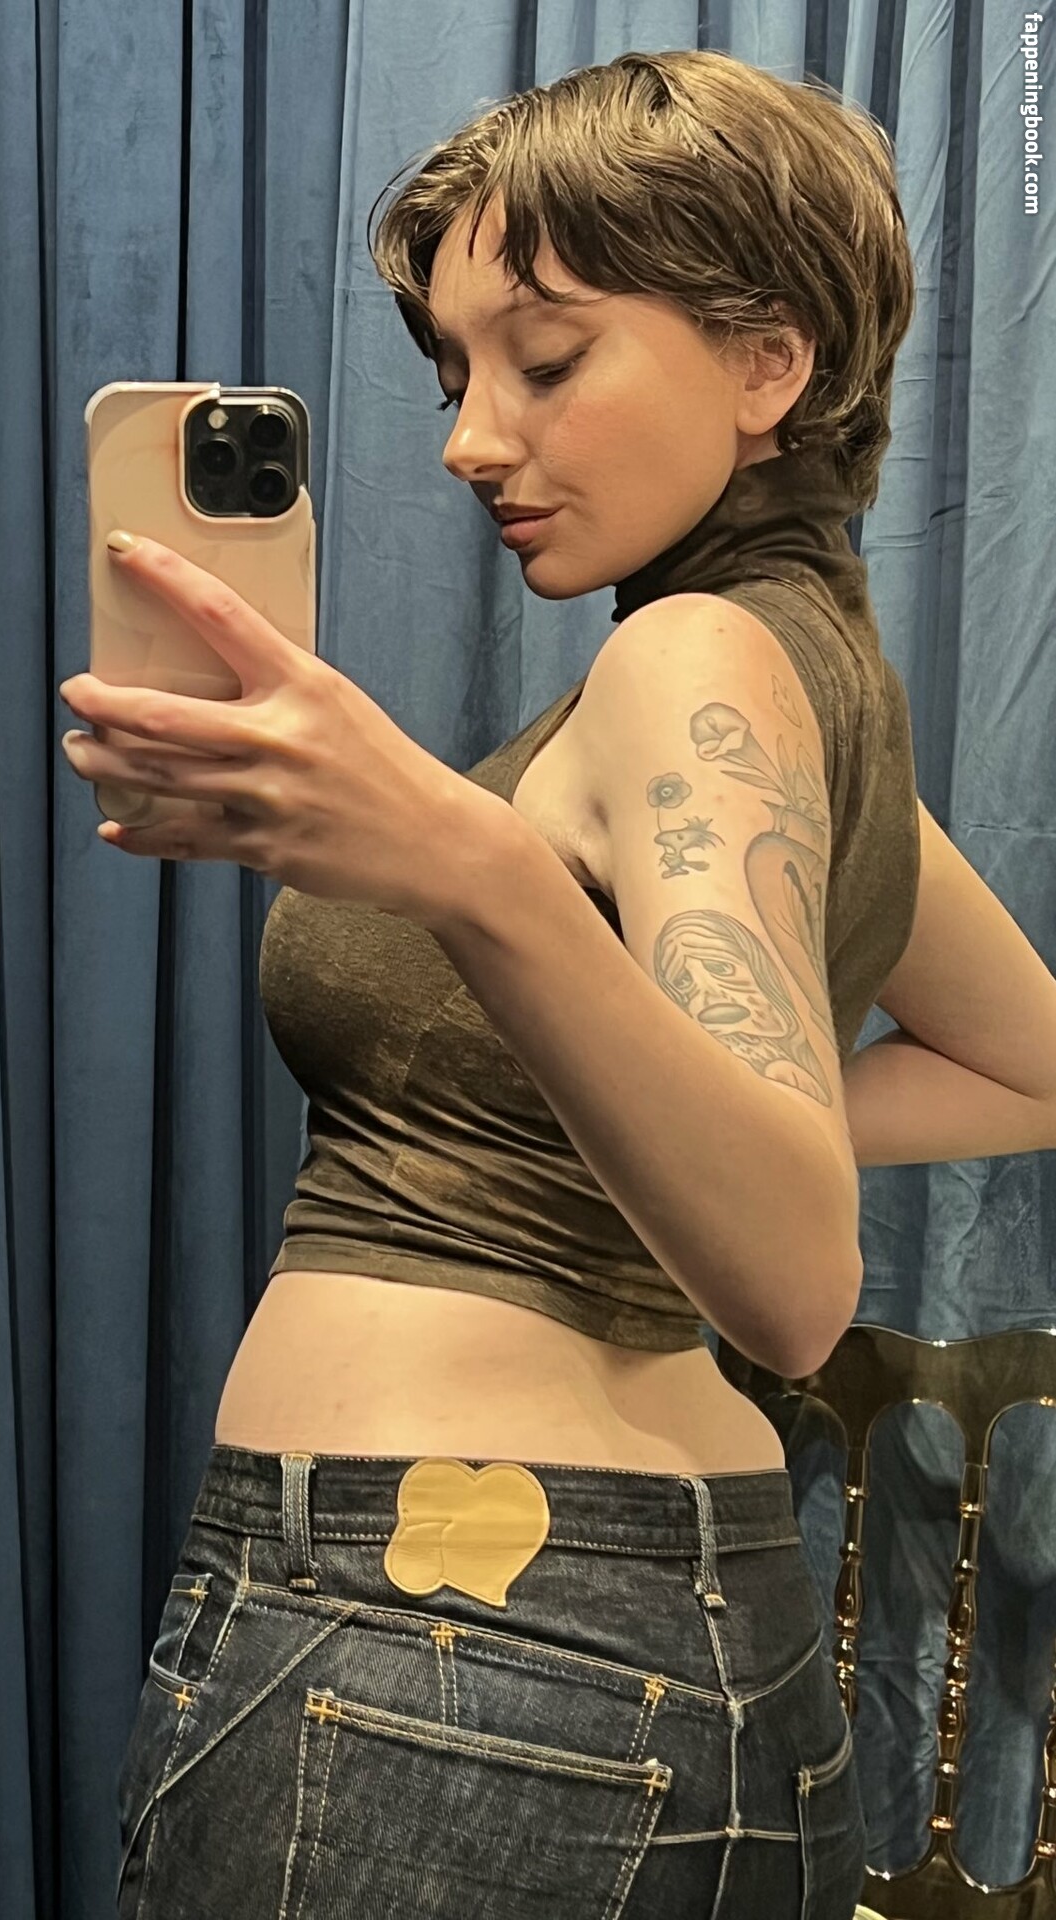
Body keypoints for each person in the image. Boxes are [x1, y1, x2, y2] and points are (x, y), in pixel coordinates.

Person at [108, 46, 1054, 1920]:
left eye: (543, 362)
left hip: (456, 1654)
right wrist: (610, 1128)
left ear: (769, 365)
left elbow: (791, 1286)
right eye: (453, 376)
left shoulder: (689, 665)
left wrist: (460, 864)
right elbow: (1027, 1066)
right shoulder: (805, 680)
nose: (469, 440)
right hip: (625, 1630)